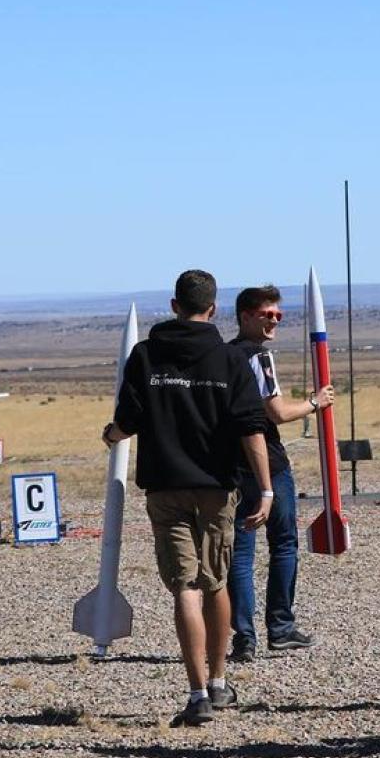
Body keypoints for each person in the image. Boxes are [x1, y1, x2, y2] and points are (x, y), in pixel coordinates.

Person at [102, 269, 273, 727]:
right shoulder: (229, 360)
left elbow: (129, 418)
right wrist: (268, 488)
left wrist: (110, 435)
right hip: (217, 489)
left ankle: (197, 692)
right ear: (212, 309)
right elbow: (251, 428)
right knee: (215, 583)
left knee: (185, 586)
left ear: (174, 305)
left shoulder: (145, 355)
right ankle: (218, 683)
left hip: (164, 488)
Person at [226, 285, 336, 662]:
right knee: (283, 543)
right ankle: (281, 627)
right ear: (245, 316)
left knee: (240, 552)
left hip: (232, 467)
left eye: (278, 315)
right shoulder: (259, 357)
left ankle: (244, 637)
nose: (274, 320)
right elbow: (277, 413)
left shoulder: (223, 355)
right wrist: (314, 402)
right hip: (268, 465)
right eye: (266, 314)